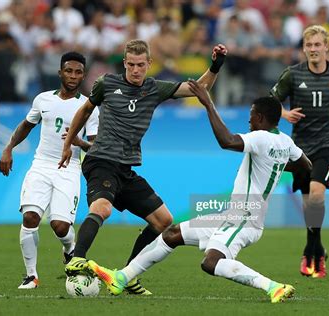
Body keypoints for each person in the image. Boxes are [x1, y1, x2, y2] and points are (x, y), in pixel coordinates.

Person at [87, 81, 312, 303]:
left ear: (261, 118)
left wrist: (208, 104)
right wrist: (276, 164)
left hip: (244, 219)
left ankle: (273, 287)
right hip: (234, 215)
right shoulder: (286, 142)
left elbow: (227, 141)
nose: (249, 119)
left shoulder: (260, 137)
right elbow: (306, 166)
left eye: (252, 115)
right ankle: (121, 277)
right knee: (172, 234)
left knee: (211, 262)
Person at [58, 39, 227, 295]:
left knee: (164, 221)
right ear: (124, 63)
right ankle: (76, 259)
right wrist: (68, 144)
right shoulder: (106, 83)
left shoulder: (154, 88)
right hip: (101, 160)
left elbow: (199, 88)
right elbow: (84, 111)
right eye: (130, 65)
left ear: (149, 64)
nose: (135, 70)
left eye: (140, 65)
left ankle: (126, 275)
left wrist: (215, 65)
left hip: (126, 168)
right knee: (102, 209)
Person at [0, 52, 99, 289]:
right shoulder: (43, 100)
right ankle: (31, 275)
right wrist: (8, 148)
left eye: (78, 72)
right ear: (60, 73)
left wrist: (79, 142)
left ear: (83, 75)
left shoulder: (89, 107)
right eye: (69, 71)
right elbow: (26, 126)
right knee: (30, 217)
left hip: (69, 168)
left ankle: (69, 249)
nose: (73, 76)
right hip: (41, 165)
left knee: (60, 226)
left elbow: (96, 146)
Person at [270, 25, 329, 278]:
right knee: (309, 202)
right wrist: (284, 113)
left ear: (326, 47)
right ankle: (317, 249)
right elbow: (270, 102)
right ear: (303, 48)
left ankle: (311, 254)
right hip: (300, 149)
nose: (313, 49)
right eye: (308, 45)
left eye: (317, 45)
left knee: (318, 196)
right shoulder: (292, 74)